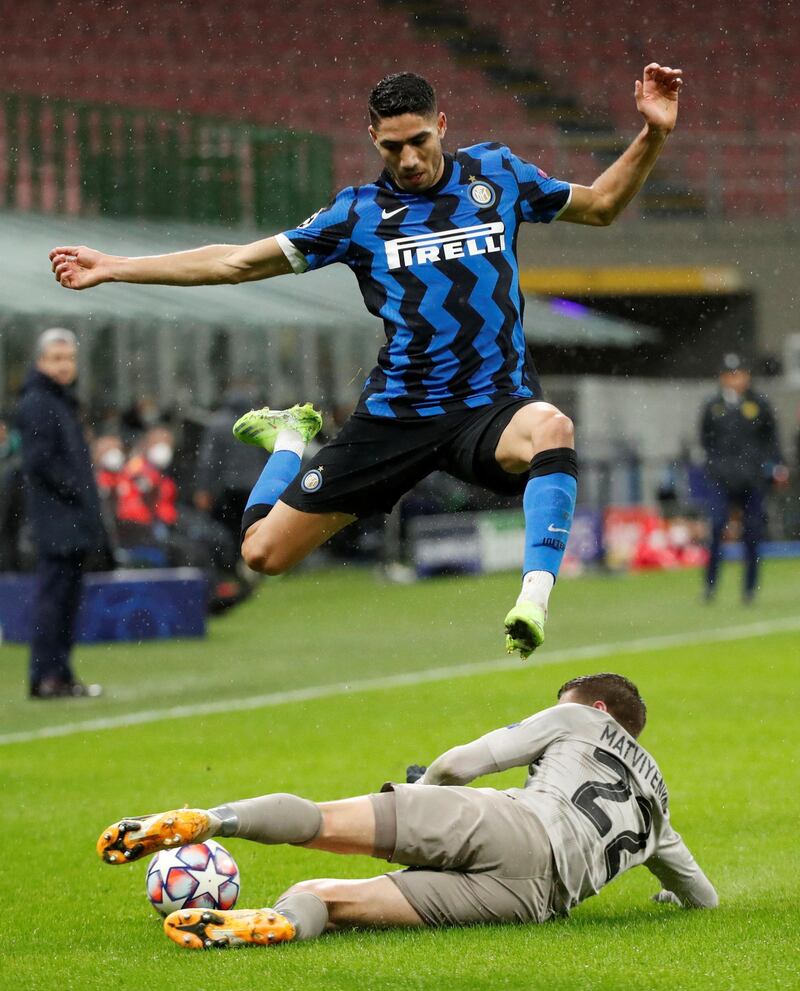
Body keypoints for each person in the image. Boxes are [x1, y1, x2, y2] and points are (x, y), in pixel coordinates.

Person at [50, 64, 683, 657]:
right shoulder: (358, 214)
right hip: (395, 419)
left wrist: (652, 133)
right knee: (262, 554)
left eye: (417, 141)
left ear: (441, 125)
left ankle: (533, 601)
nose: (407, 159)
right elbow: (239, 261)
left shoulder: (499, 174)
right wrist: (114, 267)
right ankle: (289, 444)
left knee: (553, 428)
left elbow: (601, 205)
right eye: (391, 147)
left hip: (489, 408)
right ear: (373, 140)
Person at [96, 672, 717, 950]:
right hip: (535, 901)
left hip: (508, 822)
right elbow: (701, 894)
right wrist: (671, 899)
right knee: (326, 896)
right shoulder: (659, 809)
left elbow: (467, 762)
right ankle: (281, 925)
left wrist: (430, 784)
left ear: (600, 709)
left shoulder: (581, 715)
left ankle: (210, 821)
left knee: (322, 824)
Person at [16, 328, 107, 698]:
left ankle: (60, 673)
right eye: (56, 358)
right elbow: (39, 463)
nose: (64, 365)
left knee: (67, 600)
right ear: (40, 362)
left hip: (70, 518)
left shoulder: (61, 400)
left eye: (68, 358)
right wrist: (76, 489)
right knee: (54, 600)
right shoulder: (38, 402)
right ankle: (45, 676)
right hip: (57, 518)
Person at [699, 353, 788, 602]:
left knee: (753, 532)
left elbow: (772, 440)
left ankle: (749, 589)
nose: (735, 380)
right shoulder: (713, 406)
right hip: (721, 478)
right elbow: (706, 439)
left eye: (739, 374)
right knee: (716, 527)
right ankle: (710, 586)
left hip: (752, 479)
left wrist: (776, 466)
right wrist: (714, 467)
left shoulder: (759, 404)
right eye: (730, 375)